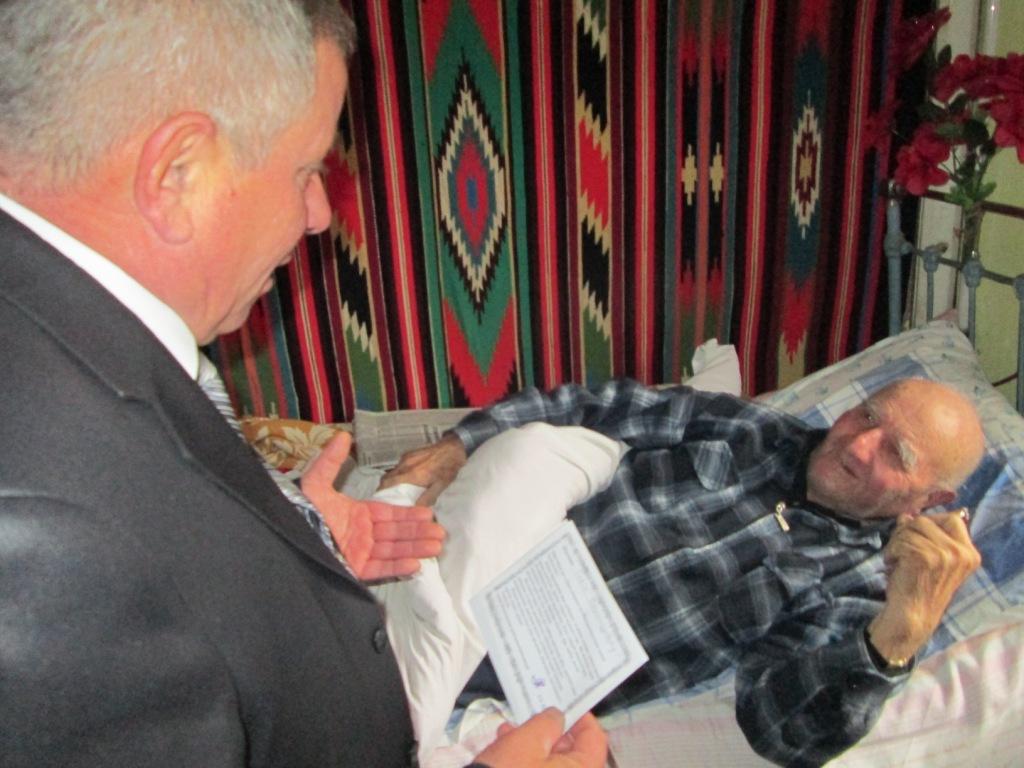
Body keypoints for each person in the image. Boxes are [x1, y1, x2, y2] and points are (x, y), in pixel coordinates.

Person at [0, 2, 606, 767]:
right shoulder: (41, 541)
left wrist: (288, 549)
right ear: (177, 173)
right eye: (307, 170)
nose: (319, 215)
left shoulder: (71, 322)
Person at [379, 376, 987, 767]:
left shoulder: (857, 592)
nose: (858, 444)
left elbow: (778, 727)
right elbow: (603, 408)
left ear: (929, 501)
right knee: (524, 451)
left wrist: (898, 639)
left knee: (384, 692)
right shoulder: (752, 430)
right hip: (493, 553)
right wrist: (462, 443)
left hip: (520, 673)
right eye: (868, 416)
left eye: (895, 453)